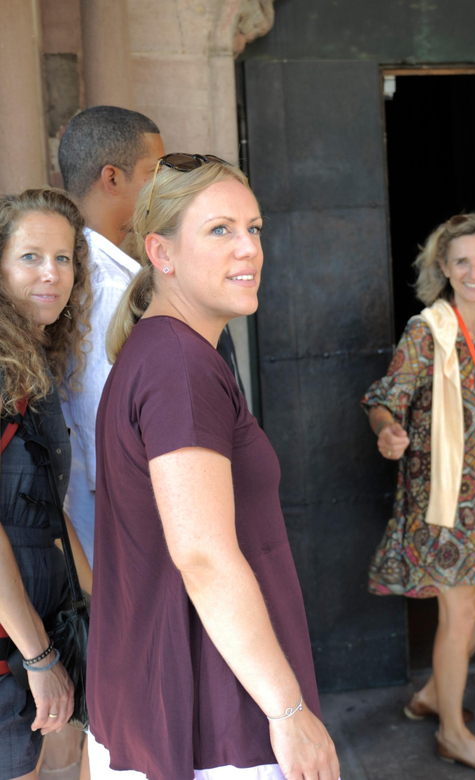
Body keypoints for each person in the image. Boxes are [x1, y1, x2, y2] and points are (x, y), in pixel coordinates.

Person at [87, 154, 340, 780]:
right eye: (220, 229)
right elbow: (202, 555)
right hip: (217, 720)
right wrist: (289, 712)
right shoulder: (179, 365)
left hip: (173, 704)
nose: (248, 248)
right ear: (161, 253)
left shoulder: (162, 351)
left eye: (253, 228)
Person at [363, 214, 475, 773]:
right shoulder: (427, 331)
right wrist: (388, 429)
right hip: (446, 500)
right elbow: (383, 396)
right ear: (445, 270)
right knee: (462, 612)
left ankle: (432, 694)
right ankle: (452, 733)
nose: (474, 272)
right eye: (462, 262)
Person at [0, 189, 92, 780]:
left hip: (35, 627)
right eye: (31, 257)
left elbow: (46, 514)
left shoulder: (31, 361)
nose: (51, 274)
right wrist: (38, 657)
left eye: (63, 258)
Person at [58, 105, 165, 567]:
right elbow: (105, 419)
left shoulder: (98, 269)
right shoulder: (105, 285)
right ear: (112, 178)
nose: (162, 187)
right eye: (153, 173)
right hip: (117, 522)